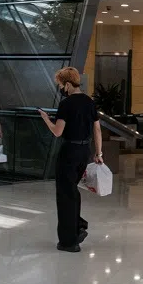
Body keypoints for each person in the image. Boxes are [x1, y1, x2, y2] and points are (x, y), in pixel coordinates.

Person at [39, 67, 103, 253]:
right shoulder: (89, 102)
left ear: (67, 83)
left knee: (65, 194)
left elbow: (57, 132)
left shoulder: (67, 104)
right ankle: (78, 226)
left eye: (61, 84)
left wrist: (46, 119)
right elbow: (97, 129)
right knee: (72, 190)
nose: (61, 88)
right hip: (85, 150)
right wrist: (98, 154)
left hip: (69, 151)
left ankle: (69, 241)